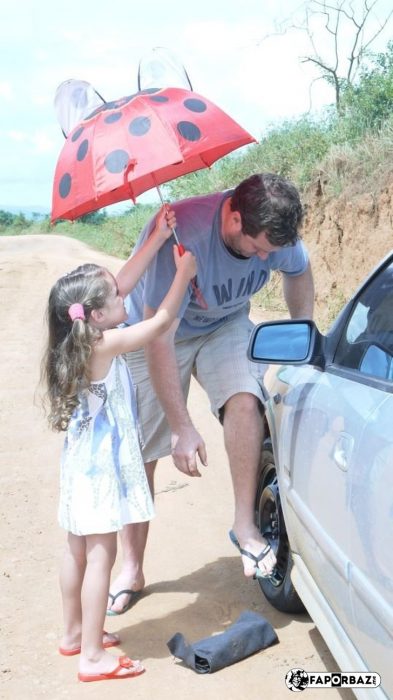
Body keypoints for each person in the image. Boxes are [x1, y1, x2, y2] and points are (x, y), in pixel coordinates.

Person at [106, 172, 315, 615]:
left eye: (271, 253)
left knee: (246, 399)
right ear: (234, 219)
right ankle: (131, 567)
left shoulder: (275, 234)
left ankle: (245, 525)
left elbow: (298, 270)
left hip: (226, 324)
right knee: (144, 450)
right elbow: (159, 334)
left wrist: (302, 335)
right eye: (259, 249)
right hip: (157, 331)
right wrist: (182, 427)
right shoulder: (183, 232)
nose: (265, 259)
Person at [42, 205, 196, 682]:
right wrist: (184, 274)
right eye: (115, 295)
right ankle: (91, 655)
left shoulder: (80, 336)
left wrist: (155, 239)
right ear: (95, 314)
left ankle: (72, 635)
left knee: (76, 549)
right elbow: (161, 321)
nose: (124, 292)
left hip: (79, 467)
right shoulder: (105, 344)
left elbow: (121, 281)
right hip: (102, 471)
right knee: (101, 555)